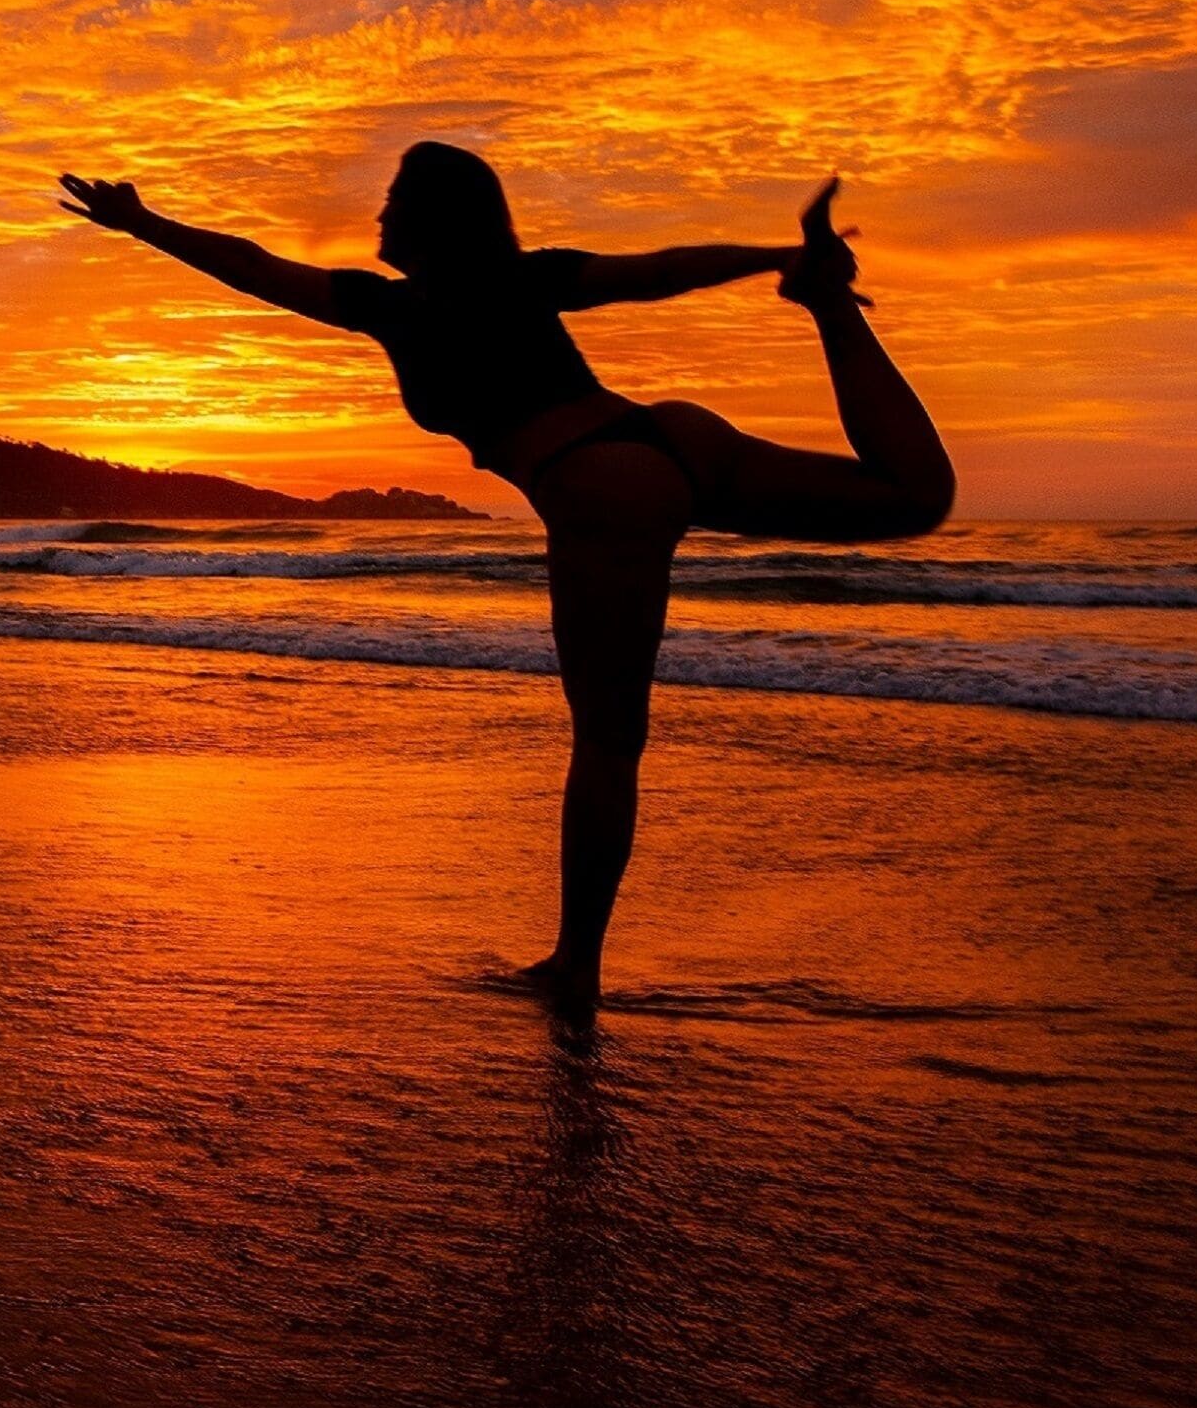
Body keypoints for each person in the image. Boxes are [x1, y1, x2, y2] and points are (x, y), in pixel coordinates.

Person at [57, 143, 954, 1012]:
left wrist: (144, 225)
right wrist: (786, 257)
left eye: (395, 198)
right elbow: (659, 269)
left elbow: (253, 267)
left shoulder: (393, 307)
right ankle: (828, 303)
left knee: (607, 742)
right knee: (911, 497)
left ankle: (576, 966)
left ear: (433, 220)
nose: (380, 212)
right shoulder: (528, 278)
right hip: (672, 436)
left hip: (599, 485)